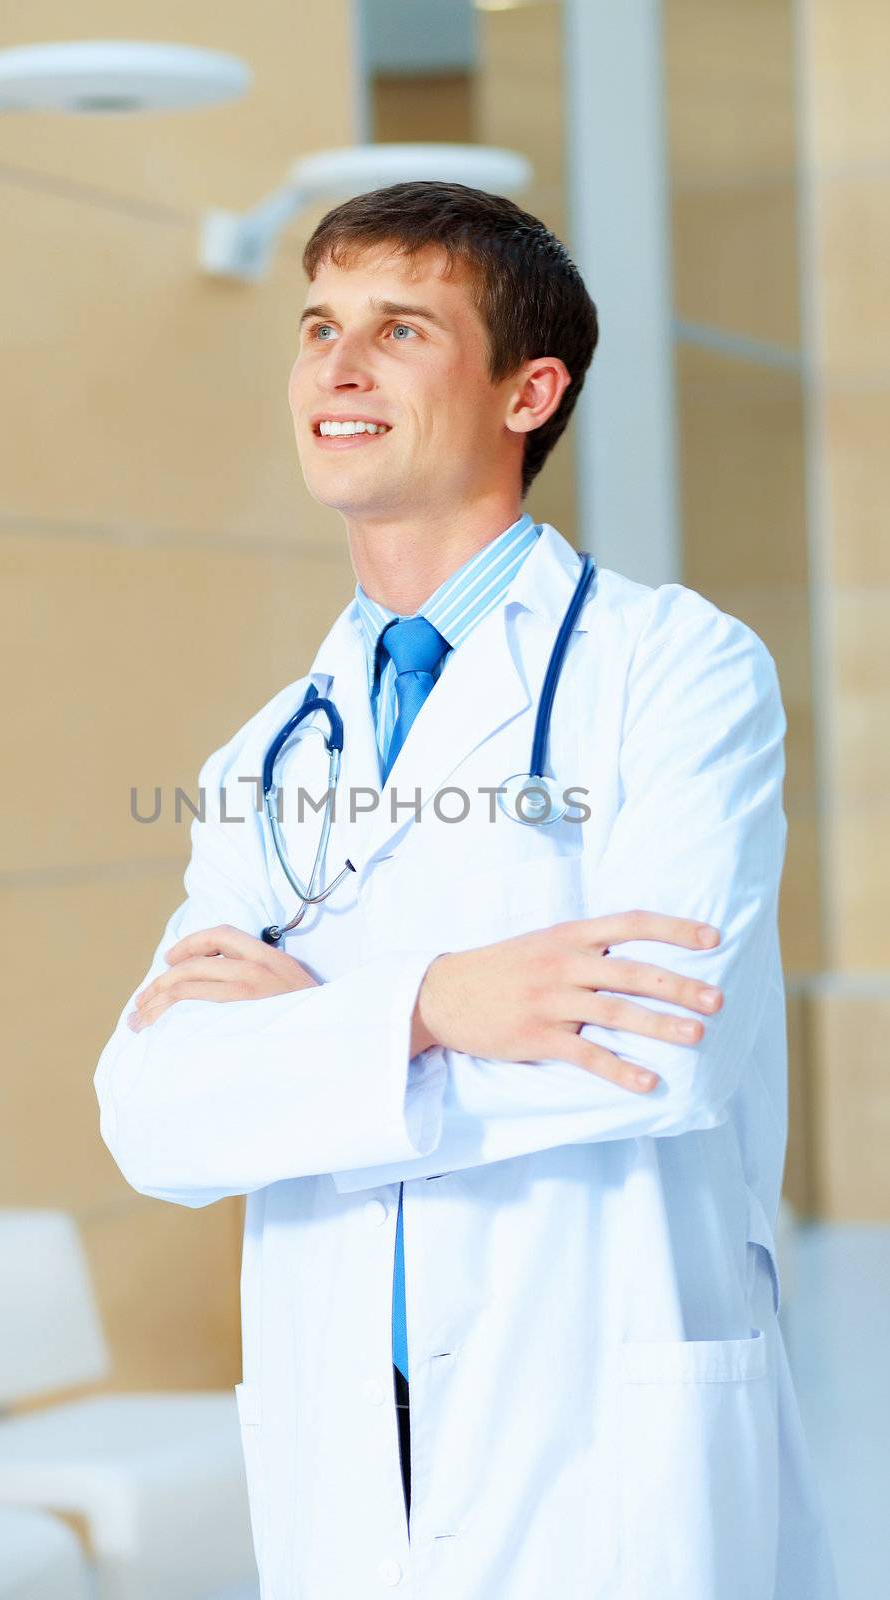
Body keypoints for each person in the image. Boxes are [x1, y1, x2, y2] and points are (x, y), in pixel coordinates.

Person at [94, 183, 838, 1598]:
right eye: (318, 327)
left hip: (598, 1416)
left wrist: (306, 1049)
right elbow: (152, 1116)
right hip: (345, 1440)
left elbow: (654, 1050)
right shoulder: (265, 755)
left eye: (400, 329)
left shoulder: (675, 671)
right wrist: (439, 1005)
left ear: (528, 390)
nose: (337, 367)